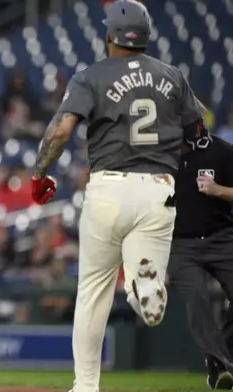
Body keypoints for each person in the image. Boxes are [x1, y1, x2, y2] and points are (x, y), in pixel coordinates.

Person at [29, 1, 207, 391]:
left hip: (108, 188)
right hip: (158, 190)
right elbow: (199, 132)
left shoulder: (90, 76)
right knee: (148, 285)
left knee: (93, 291)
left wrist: (39, 174)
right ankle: (144, 284)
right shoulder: (172, 76)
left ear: (109, 34)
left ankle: (87, 386)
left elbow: (60, 131)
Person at [168, 130, 233, 389]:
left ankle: (221, 360)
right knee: (197, 297)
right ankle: (222, 364)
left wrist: (218, 190)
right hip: (180, 245)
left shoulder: (221, 151)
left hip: (222, 238)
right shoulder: (158, 156)